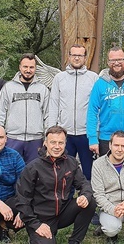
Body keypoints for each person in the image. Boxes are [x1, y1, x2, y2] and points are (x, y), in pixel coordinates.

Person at [15, 126, 97, 244]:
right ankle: (36, 236)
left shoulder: (71, 162)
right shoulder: (32, 167)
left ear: (65, 144)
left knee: (90, 202)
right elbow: (22, 201)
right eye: (53, 142)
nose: (57, 146)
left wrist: (85, 195)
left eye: (61, 143)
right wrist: (36, 224)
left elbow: (84, 184)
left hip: (63, 213)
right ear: (45, 143)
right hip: (40, 218)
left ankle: (75, 241)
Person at [47, 44, 98, 180]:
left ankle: (89, 198)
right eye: (74, 55)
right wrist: (51, 131)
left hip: (86, 133)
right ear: (69, 57)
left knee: (89, 171)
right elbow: (54, 104)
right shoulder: (59, 78)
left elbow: (98, 106)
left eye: (80, 55)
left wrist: (96, 130)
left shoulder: (93, 78)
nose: (76, 58)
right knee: (64, 172)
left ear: (85, 58)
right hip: (65, 133)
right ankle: (65, 199)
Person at [0, 53, 50, 163]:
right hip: (12, 139)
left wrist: (48, 137)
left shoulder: (43, 89)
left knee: (35, 174)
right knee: (10, 172)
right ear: (20, 67)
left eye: (31, 67)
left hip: (36, 140)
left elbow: (48, 115)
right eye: (25, 67)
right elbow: (0, 113)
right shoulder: (8, 88)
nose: (28, 70)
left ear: (35, 69)